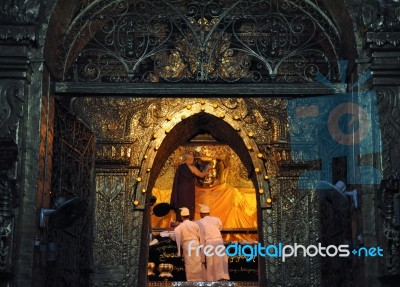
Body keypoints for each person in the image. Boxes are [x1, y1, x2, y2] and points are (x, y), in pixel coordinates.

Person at [170, 152, 212, 221]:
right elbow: (201, 175)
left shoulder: (180, 167)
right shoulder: (192, 168)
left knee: (181, 204)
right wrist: (207, 168)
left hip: (179, 190)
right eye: (192, 159)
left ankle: (180, 220)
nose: (193, 161)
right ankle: (188, 220)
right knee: (187, 204)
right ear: (190, 160)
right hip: (188, 190)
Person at [197, 204, 230, 281]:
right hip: (218, 241)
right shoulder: (216, 219)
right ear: (208, 213)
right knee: (221, 261)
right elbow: (220, 227)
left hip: (209, 243)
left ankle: (212, 280)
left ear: (201, 214)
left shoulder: (199, 222)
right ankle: (223, 279)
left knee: (211, 262)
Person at [173, 207, 206, 281]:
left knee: (189, 265)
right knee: (197, 264)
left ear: (182, 217)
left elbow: (176, 237)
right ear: (189, 216)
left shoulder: (179, 227)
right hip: (196, 244)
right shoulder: (195, 224)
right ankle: (198, 282)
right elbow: (200, 236)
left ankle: (191, 283)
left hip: (187, 245)